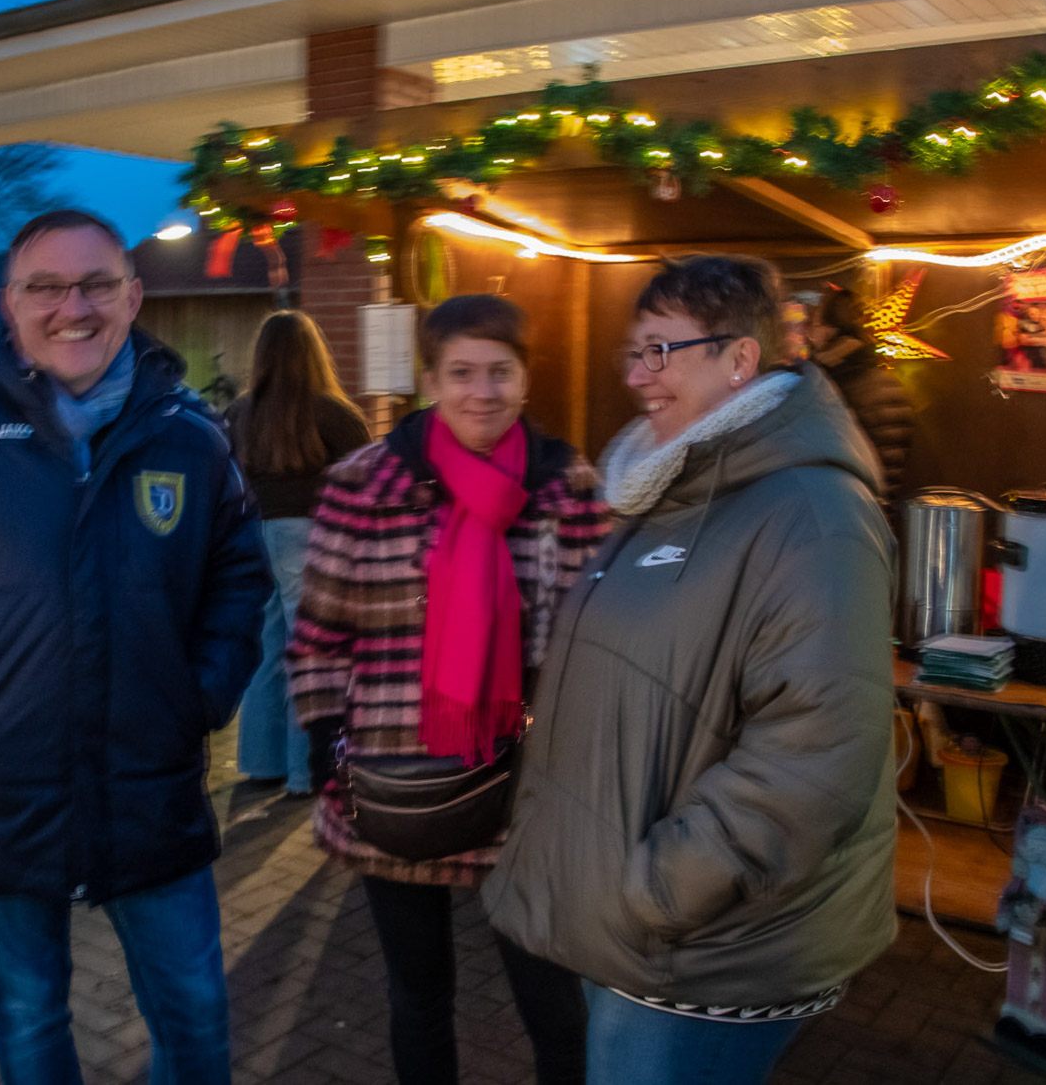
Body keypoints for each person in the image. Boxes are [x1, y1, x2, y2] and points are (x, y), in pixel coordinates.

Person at [0, 208, 272, 1085]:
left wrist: (200, 695)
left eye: (95, 285)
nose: (72, 307)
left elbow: (240, 576)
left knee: (194, 1016)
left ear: (133, 297)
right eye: (45, 287)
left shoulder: (191, 437)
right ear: (9, 303)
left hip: (150, 786)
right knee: (30, 1018)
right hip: (2, 788)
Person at [482, 256, 897, 1085]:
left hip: (703, 953)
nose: (637, 376)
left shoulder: (812, 514)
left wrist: (660, 889)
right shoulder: (678, 489)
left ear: (740, 358)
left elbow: (818, 754)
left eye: (660, 351)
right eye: (633, 353)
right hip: (644, 936)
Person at [287, 294, 610, 1085]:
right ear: (430, 380)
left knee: (556, 1011)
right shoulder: (363, 484)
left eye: (501, 372)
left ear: (526, 378)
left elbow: (597, 644)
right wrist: (327, 747)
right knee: (419, 995)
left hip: (525, 791)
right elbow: (320, 635)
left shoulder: (565, 485)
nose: (482, 392)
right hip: (396, 788)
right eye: (461, 373)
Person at [224, 311, 370, 795]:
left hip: (251, 533)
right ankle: (306, 772)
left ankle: (261, 763)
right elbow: (366, 478)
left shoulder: (239, 413)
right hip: (313, 534)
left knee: (265, 649)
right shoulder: (335, 414)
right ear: (314, 354)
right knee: (311, 653)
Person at [808, 286, 915, 503]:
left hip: (844, 507)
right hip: (882, 507)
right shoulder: (889, 382)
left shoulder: (832, 387)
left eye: (815, 325)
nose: (810, 334)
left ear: (830, 330)